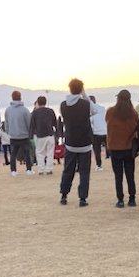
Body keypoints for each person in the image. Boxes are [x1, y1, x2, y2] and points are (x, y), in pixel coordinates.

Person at [59, 78, 94, 206]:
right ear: (81, 89)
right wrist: (85, 96)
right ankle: (82, 198)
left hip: (70, 141)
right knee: (84, 171)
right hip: (85, 142)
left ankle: (64, 195)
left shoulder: (63, 105)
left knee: (68, 170)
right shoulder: (86, 104)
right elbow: (95, 111)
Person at [105, 89, 139, 207]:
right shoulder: (133, 113)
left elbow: (108, 124)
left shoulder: (110, 112)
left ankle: (120, 200)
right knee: (130, 175)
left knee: (118, 176)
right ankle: (132, 199)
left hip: (114, 148)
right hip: (129, 148)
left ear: (118, 98)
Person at [4, 91, 32, 176]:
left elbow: (6, 123)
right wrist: (28, 132)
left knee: (13, 154)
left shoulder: (8, 110)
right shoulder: (25, 110)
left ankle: (13, 171)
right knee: (27, 153)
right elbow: (29, 123)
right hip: (24, 135)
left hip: (13, 135)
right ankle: (29, 170)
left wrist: (8, 131)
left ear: (12, 97)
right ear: (20, 97)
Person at [29, 95, 57, 175]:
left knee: (39, 153)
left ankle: (41, 170)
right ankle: (49, 169)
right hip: (49, 134)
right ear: (45, 102)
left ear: (38, 102)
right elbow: (55, 123)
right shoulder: (50, 111)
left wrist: (30, 136)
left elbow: (32, 125)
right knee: (50, 153)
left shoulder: (35, 112)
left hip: (39, 135)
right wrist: (57, 134)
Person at [89, 95, 108, 171]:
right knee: (109, 147)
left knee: (97, 150)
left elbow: (90, 122)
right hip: (105, 131)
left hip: (96, 132)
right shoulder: (102, 109)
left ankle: (99, 165)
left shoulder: (91, 111)